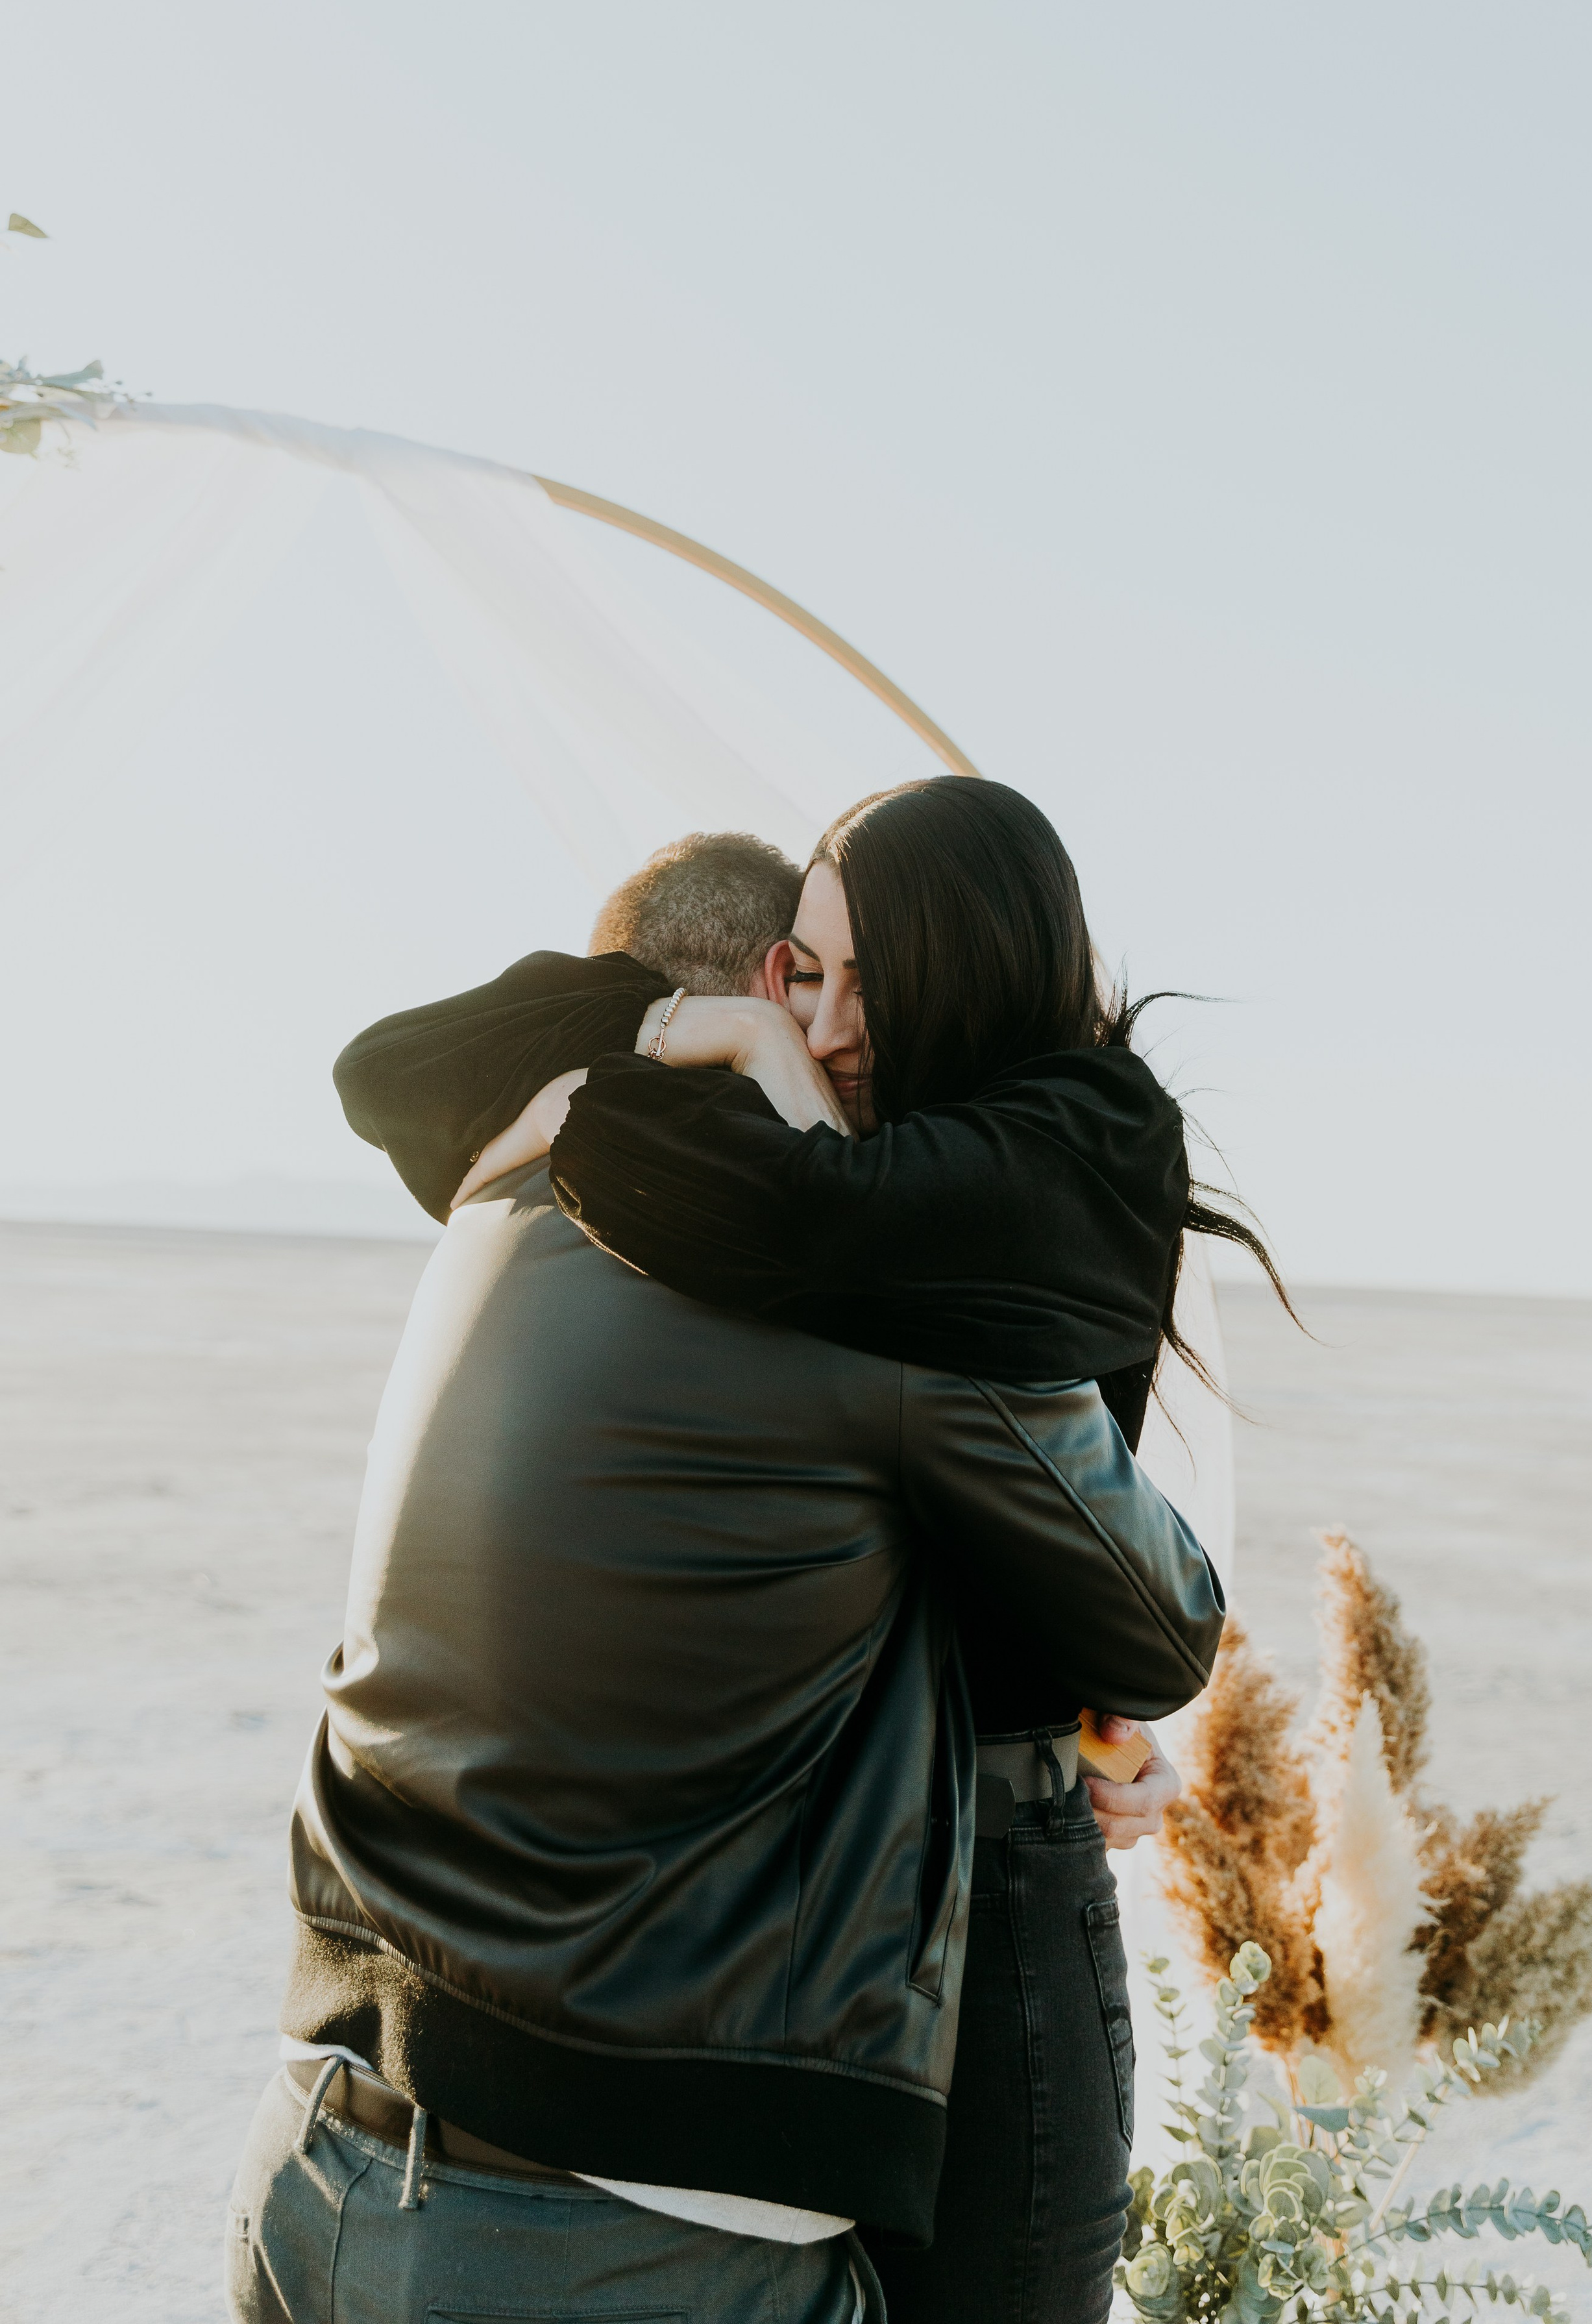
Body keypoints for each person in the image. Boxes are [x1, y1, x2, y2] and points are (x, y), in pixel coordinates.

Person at [228, 827, 1225, 2324]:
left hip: (322, 2157)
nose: (824, 1032)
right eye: (799, 983)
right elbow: (1162, 1623)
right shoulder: (876, 1280)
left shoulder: (506, 1194)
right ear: (758, 983)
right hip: (624, 2230)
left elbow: (725, 1579)